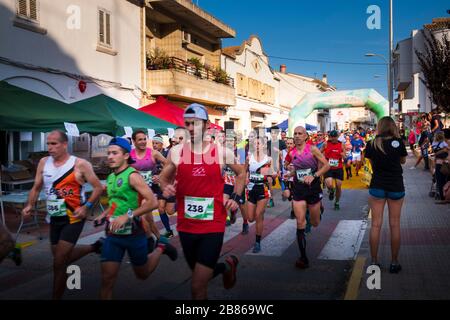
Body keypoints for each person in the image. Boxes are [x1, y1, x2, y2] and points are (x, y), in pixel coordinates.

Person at [159, 103, 245, 300]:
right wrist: (166, 188)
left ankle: (222, 268)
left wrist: (236, 198)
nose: (190, 128)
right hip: (186, 225)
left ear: (206, 125)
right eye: (187, 124)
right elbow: (164, 178)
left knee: (197, 286)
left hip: (213, 225)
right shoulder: (176, 152)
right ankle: (225, 267)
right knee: (200, 277)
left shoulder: (222, 153)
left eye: (195, 123)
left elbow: (241, 173)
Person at [22, 130, 104, 299]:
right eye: (48, 144)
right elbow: (36, 187)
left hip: (74, 217)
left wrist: (86, 207)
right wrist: (30, 204)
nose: (50, 148)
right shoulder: (44, 162)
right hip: (53, 218)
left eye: (54, 144)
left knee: (59, 262)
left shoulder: (80, 164)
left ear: (65, 144)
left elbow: (98, 187)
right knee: (61, 258)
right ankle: (95, 247)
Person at [95, 137, 177, 300]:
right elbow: (115, 203)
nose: (110, 156)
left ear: (125, 156)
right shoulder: (111, 177)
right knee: (107, 280)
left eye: (115, 153)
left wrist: (128, 216)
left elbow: (152, 202)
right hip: (113, 234)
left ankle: (160, 248)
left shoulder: (133, 176)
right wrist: (104, 214)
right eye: (109, 153)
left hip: (134, 234)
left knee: (143, 274)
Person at [364, 117, 407, 274]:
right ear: (393, 127)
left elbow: (371, 161)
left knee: (375, 224)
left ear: (380, 127)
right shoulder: (398, 142)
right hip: (396, 185)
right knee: (395, 224)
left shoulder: (372, 143)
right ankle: (394, 262)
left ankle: (374, 261)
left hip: (377, 185)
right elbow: (402, 161)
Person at [284, 126, 330, 269]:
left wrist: (314, 175)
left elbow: (326, 165)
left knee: (315, 223)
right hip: (298, 189)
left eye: (300, 134)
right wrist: (290, 174)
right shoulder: (291, 153)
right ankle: (303, 257)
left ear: (305, 136)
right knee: (300, 222)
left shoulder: (312, 149)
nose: (297, 136)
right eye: (295, 134)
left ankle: (318, 209)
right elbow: (294, 169)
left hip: (313, 188)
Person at [130, 131, 174, 239]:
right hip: (135, 190)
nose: (143, 142)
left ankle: (149, 241)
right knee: (148, 218)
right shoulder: (130, 154)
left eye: (144, 139)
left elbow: (169, 165)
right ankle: (159, 239)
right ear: (134, 141)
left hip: (151, 190)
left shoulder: (153, 153)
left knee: (145, 216)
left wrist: (160, 176)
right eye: (140, 139)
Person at [246, 131, 275, 253]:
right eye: (255, 143)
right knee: (250, 218)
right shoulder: (249, 157)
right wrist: (246, 177)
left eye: (258, 143)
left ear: (263, 145)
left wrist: (272, 176)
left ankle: (257, 242)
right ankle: (259, 215)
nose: (256, 145)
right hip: (251, 189)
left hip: (263, 189)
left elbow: (273, 174)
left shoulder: (269, 159)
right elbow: (246, 171)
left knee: (258, 216)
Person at [323, 130, 346, 210]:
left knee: (339, 186)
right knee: (329, 184)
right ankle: (331, 191)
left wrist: (343, 155)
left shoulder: (341, 144)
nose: (333, 139)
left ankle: (336, 202)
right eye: (331, 137)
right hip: (328, 167)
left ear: (337, 136)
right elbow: (319, 153)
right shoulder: (326, 143)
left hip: (338, 167)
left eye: (334, 137)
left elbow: (345, 156)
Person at [432, 132, 449, 204]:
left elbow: (435, 154)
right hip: (445, 164)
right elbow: (447, 150)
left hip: (438, 164)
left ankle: (443, 197)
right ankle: (445, 196)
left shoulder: (434, 143)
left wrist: (436, 153)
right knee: (445, 180)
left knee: (439, 181)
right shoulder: (444, 143)